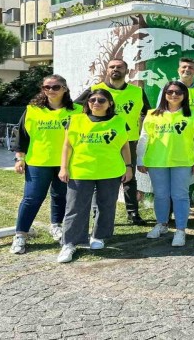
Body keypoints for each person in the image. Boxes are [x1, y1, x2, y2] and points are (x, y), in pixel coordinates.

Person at [57, 89, 131, 263]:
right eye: (92, 100)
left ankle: (99, 236)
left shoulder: (119, 121)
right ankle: (69, 243)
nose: (96, 102)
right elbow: (67, 146)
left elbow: (125, 146)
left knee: (106, 205)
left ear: (110, 103)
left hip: (110, 171)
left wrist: (128, 167)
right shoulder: (75, 120)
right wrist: (63, 168)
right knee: (75, 207)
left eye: (101, 100)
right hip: (81, 170)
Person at [10, 75, 82, 254]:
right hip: (38, 162)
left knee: (60, 197)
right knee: (32, 198)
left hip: (66, 163)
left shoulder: (78, 110)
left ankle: (56, 226)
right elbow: (21, 135)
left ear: (64, 88)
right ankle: (20, 235)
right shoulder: (33, 110)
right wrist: (20, 158)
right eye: (46, 87)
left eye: (56, 87)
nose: (50, 90)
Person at [76, 59, 151, 225]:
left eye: (119, 67)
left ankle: (133, 213)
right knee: (100, 175)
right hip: (102, 141)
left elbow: (149, 113)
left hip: (128, 140)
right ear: (107, 70)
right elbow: (76, 108)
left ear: (126, 70)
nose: (115, 69)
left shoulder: (137, 91)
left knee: (129, 178)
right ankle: (97, 213)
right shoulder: (96, 90)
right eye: (112, 67)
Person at [138, 81, 194, 247]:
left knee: (180, 195)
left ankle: (181, 230)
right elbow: (144, 137)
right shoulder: (152, 114)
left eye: (178, 92)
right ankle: (162, 224)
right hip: (156, 161)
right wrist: (140, 159)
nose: (174, 95)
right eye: (170, 92)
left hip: (182, 160)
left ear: (184, 95)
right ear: (164, 94)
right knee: (160, 195)